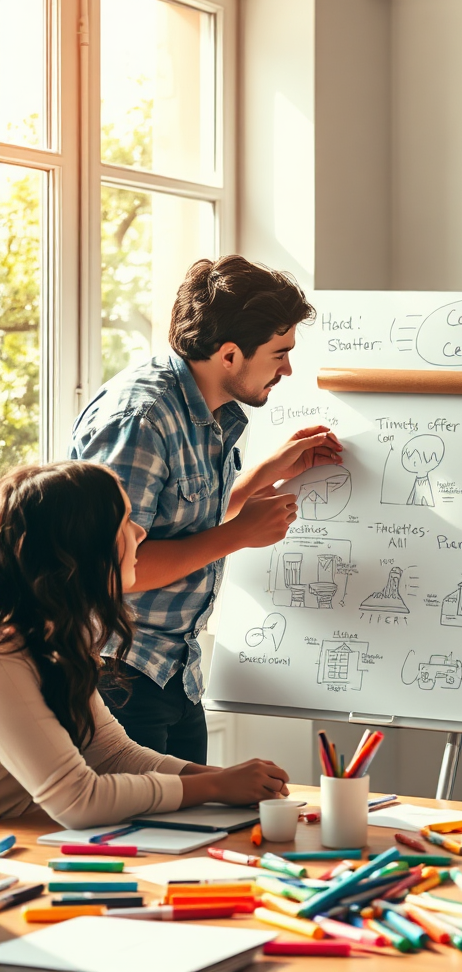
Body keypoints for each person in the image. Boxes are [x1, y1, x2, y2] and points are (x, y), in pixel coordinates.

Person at [69, 256, 342, 764]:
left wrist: (267, 473)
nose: (288, 369)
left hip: (173, 673)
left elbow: (180, 520)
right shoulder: (141, 419)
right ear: (231, 355)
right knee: (144, 837)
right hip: (119, 676)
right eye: (280, 353)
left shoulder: (207, 410)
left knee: (193, 832)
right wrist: (239, 535)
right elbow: (114, 569)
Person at [0, 462, 291, 829]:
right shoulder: (7, 657)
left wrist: (228, 779)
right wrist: (215, 785)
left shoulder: (62, 637)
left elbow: (112, 754)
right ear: (83, 546)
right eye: (124, 521)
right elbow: (77, 799)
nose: (139, 532)